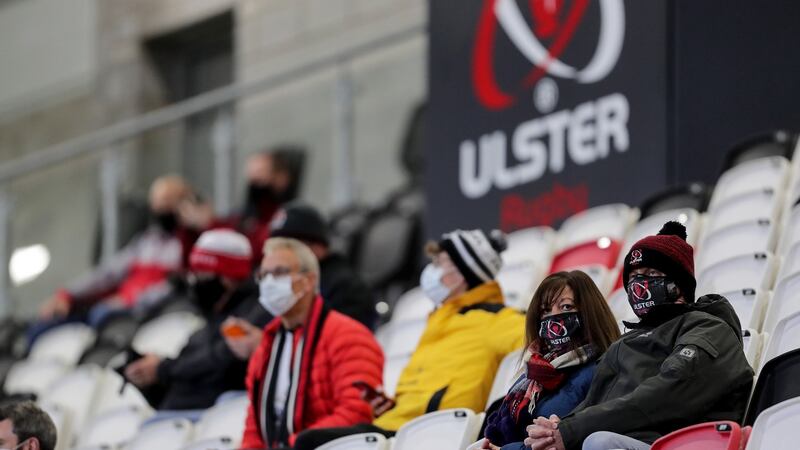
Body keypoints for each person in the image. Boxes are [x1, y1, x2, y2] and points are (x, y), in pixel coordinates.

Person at [523, 222, 754, 450]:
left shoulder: (708, 328)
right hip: (630, 441)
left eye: (651, 273)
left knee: (600, 443)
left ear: (678, 284)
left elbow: (667, 393)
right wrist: (559, 427)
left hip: (686, 442)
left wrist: (572, 430)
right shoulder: (624, 344)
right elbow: (593, 405)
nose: (638, 285)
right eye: (633, 277)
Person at [293, 229, 525, 449]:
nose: (431, 270)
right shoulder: (440, 318)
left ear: (461, 273)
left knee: (309, 442)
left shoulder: (498, 320)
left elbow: (538, 345)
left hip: (432, 430)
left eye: (439, 263)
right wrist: (388, 405)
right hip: (397, 424)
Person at [239, 237, 384, 449]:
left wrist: (293, 445)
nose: (269, 283)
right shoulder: (267, 346)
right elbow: (255, 424)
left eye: (279, 272)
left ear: (308, 280)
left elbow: (357, 412)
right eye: (263, 275)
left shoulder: (349, 336)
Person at [32, 175, 198, 342]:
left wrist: (131, 300)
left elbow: (176, 285)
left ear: (186, 203)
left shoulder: (192, 244)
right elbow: (107, 274)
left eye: (167, 200)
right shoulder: (146, 242)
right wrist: (67, 295)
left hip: (136, 314)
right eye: (156, 201)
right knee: (43, 328)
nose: (160, 207)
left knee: (101, 315)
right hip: (111, 309)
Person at [124, 229, 271, 411]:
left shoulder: (256, 315)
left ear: (229, 278)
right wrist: (149, 379)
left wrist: (163, 369)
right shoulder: (205, 327)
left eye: (203, 274)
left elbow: (220, 360)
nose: (195, 281)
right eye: (193, 273)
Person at [481, 271, 620, 450]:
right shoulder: (532, 375)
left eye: (566, 307)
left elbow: (558, 442)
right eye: (546, 310)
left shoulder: (602, 368)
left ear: (589, 312)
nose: (554, 317)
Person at [179, 148, 304, 263]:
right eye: (251, 176)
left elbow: (256, 250)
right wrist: (196, 227)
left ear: (282, 178)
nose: (254, 182)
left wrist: (211, 225)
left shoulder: (290, 217)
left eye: (260, 175)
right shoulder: (243, 216)